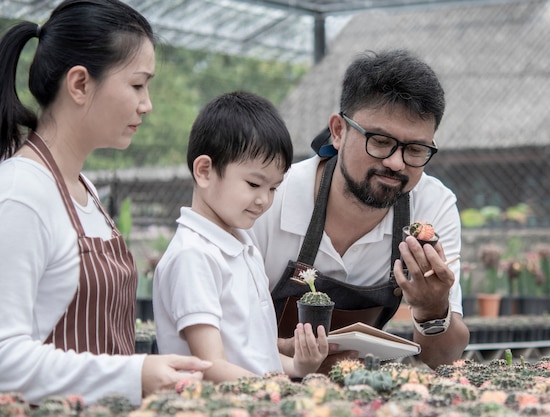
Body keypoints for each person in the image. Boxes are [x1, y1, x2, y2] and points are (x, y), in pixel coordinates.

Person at [0, 0, 211, 406]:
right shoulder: (20, 196)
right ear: (79, 84)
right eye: (137, 85)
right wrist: (135, 373)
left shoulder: (87, 191)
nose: (147, 103)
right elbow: (5, 360)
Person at [251, 49, 470, 370]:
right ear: (338, 131)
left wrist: (433, 310)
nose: (396, 162)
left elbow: (444, 359)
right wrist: (282, 354)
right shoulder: (272, 198)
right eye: (380, 141)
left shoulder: (431, 206)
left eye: (415, 149)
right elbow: (220, 341)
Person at [152, 91, 329, 383]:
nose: (263, 200)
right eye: (253, 183)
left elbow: (252, 353)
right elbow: (209, 365)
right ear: (205, 171)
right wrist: (275, 387)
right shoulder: (194, 256)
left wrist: (298, 366)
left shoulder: (243, 243)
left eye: (273, 189)